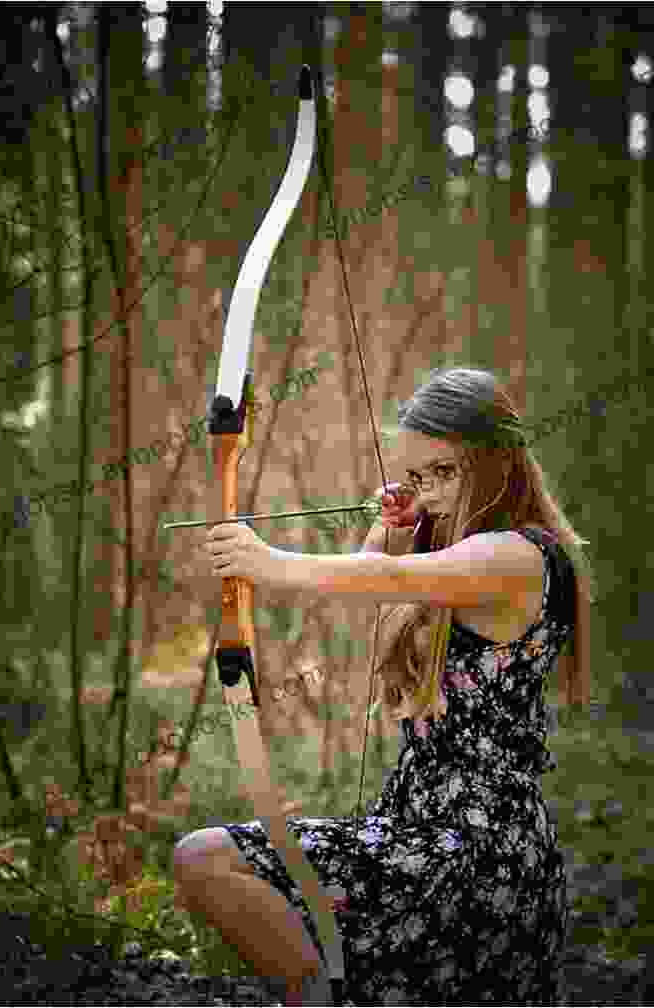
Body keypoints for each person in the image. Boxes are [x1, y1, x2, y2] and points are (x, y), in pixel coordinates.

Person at [172, 366, 595, 1005]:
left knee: (210, 858)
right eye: (417, 477)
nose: (428, 493)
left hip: (475, 859)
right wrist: (394, 530)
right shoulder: (462, 557)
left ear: (499, 461)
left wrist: (268, 563)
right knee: (205, 860)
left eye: (444, 472)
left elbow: (389, 582)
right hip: (417, 833)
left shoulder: (519, 556)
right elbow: (386, 594)